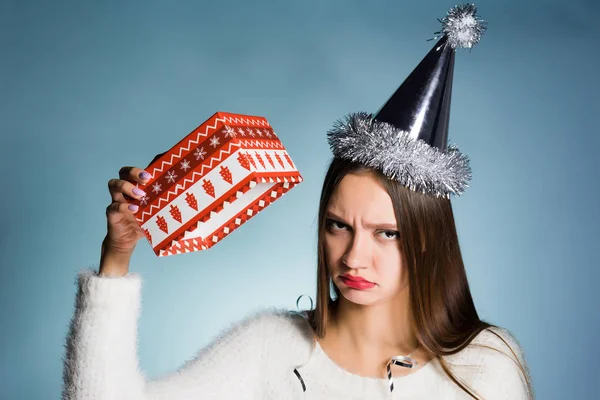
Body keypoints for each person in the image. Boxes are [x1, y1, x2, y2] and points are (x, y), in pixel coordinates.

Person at [62, 5, 533, 399]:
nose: (353, 257)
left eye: (386, 233)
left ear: (429, 239)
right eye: (338, 226)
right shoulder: (272, 346)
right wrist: (116, 259)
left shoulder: (484, 366)